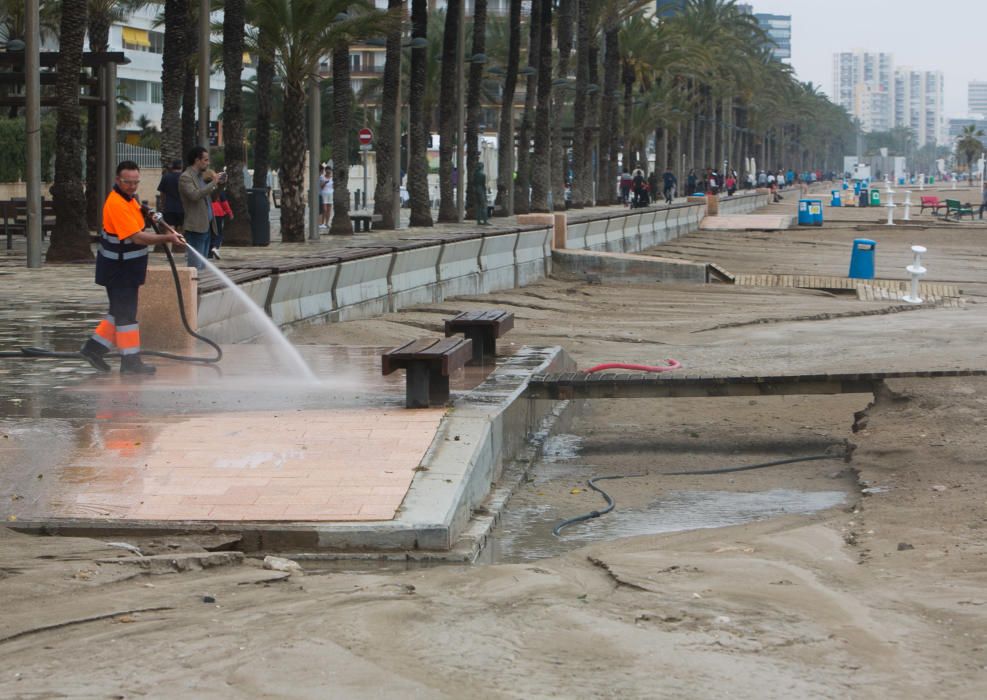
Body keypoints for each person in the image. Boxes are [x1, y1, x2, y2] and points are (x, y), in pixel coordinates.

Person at [79, 161, 186, 375]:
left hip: (126, 268)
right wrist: (167, 237)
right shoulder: (116, 204)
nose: (132, 186)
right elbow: (136, 238)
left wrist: (149, 213)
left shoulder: (128, 200)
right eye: (128, 182)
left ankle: (94, 349)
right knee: (126, 316)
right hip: (118, 270)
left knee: (120, 312)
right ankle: (130, 362)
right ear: (118, 180)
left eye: (136, 182)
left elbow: (138, 216)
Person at [179, 146, 225, 269]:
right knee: (195, 267)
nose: (208, 163)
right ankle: (194, 288)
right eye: (205, 160)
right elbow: (195, 195)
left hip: (207, 226)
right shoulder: (186, 177)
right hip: (195, 228)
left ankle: (199, 287)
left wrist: (220, 185)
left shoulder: (201, 177)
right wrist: (213, 182)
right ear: (197, 160)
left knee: (203, 266)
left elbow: (211, 199)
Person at [156, 159, 184, 230]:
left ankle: (170, 240)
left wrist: (162, 204)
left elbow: (162, 193)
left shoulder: (166, 177)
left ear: (172, 167)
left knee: (170, 229)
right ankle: (179, 241)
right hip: (182, 208)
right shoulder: (184, 177)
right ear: (181, 166)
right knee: (181, 230)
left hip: (169, 208)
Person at [209, 187, 232, 259]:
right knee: (219, 232)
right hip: (218, 213)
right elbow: (224, 203)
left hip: (208, 213)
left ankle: (209, 253)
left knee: (210, 233)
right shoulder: (219, 190)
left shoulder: (204, 188)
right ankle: (215, 247)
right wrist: (230, 213)